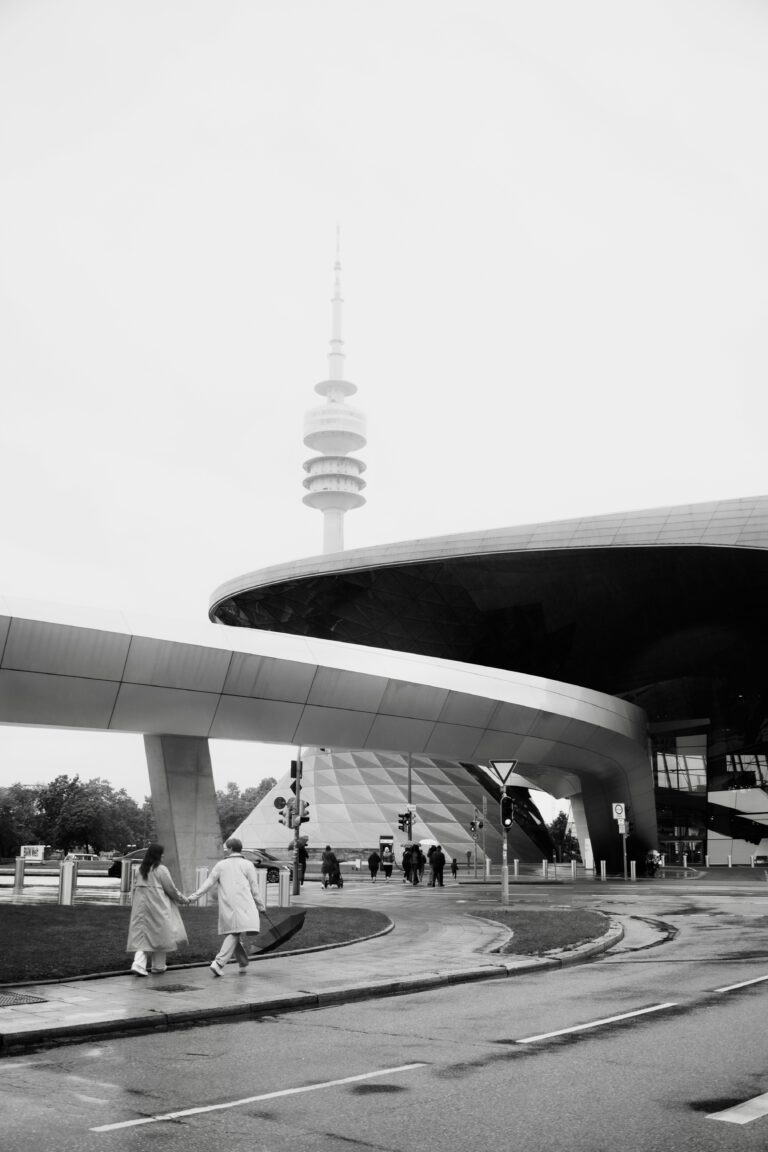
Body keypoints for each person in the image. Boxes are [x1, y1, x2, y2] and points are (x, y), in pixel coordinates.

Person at [187, 837, 266, 976]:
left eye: (226, 848)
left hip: (228, 904)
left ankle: (242, 962)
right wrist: (261, 906)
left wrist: (194, 897)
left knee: (235, 931)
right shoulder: (248, 864)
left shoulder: (221, 865)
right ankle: (218, 963)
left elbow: (208, 883)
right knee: (235, 932)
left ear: (230, 849)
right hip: (245, 904)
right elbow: (255, 888)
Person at [127, 843, 189, 977]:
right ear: (158, 855)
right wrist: (183, 899)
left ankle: (143, 964)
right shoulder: (161, 870)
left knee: (142, 934)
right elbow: (171, 889)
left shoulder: (140, 870)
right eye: (162, 853)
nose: (164, 855)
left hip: (140, 908)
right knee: (160, 934)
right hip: (157, 906)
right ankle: (155, 965)